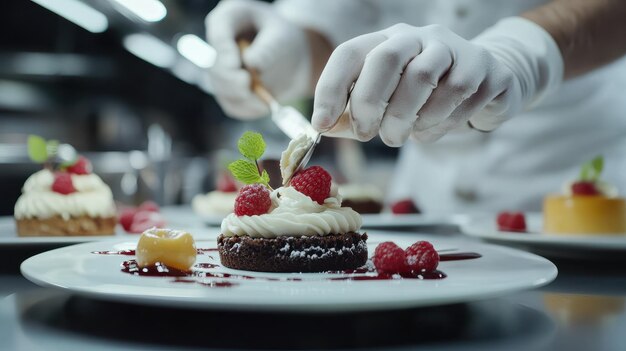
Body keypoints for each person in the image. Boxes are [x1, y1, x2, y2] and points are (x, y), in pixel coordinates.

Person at [205, 0, 626, 213]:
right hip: (422, 202)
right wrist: (295, 48)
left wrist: (525, 54)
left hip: (574, 178)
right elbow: (335, 21)